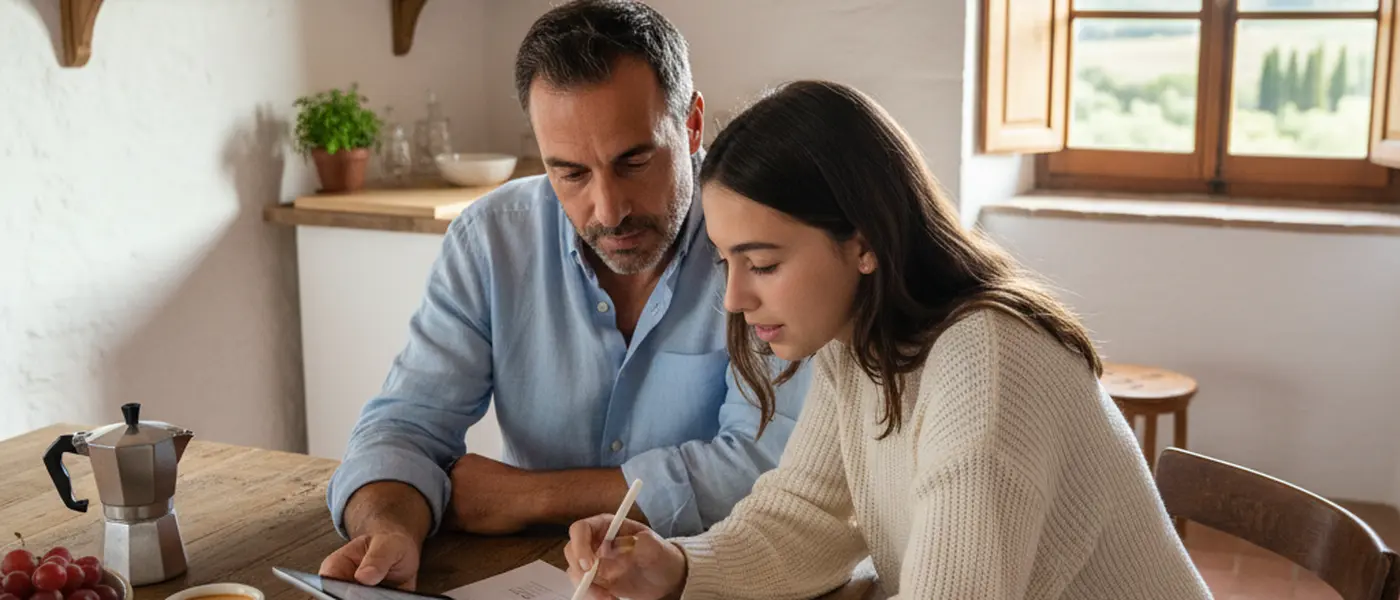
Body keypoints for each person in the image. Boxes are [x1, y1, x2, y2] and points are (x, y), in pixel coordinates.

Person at [562, 80, 1213, 599]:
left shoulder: (986, 366)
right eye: (727, 262)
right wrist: (674, 568)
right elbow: (807, 517)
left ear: (863, 242)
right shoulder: (861, 340)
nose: (734, 298)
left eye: (761, 264)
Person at [318, 1, 811, 589]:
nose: (609, 210)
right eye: (571, 172)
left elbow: (769, 470)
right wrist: (390, 528)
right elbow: (402, 430)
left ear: (692, 125)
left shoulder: (764, 238)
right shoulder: (491, 239)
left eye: (634, 160)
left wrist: (526, 498)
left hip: (715, 579)